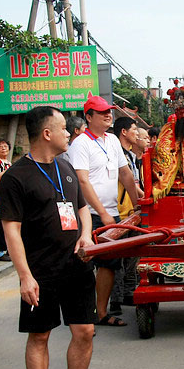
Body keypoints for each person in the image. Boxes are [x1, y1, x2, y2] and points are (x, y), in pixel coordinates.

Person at [0, 105, 108, 369]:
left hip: (76, 266)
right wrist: (24, 276)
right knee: (40, 334)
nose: (69, 134)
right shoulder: (16, 177)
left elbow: (83, 210)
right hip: (40, 271)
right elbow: (11, 230)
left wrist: (86, 236)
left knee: (85, 331)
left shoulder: (67, 167)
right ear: (47, 133)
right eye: (63, 129)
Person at [68, 95, 139, 327]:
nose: (109, 115)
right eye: (102, 112)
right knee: (86, 266)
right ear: (88, 117)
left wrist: (140, 201)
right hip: (89, 214)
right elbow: (82, 181)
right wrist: (103, 212)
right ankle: (83, 318)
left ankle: (100, 313)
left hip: (113, 214)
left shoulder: (111, 140)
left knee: (109, 264)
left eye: (109, 111)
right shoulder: (80, 143)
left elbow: (126, 174)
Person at [109, 116, 145, 315]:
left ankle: (129, 293)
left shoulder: (130, 155)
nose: (137, 133)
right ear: (123, 132)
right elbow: (129, 182)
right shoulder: (117, 155)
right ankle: (115, 300)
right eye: (133, 129)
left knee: (133, 255)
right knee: (118, 260)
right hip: (120, 212)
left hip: (132, 211)